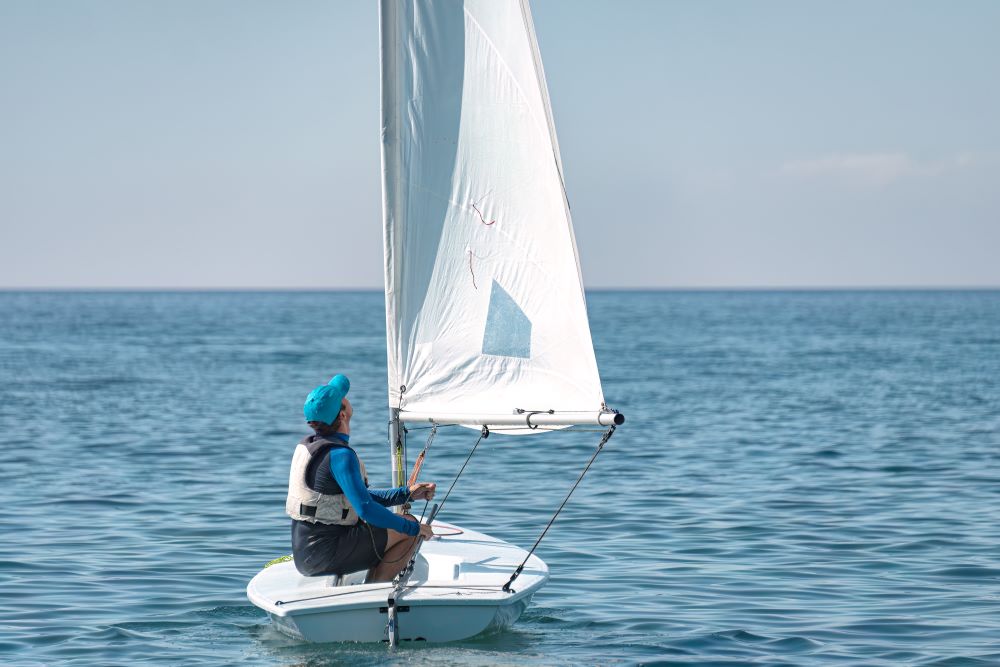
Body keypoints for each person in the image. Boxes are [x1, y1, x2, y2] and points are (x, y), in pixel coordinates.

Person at [286, 374, 435, 582]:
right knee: (408, 527)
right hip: (324, 553)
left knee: (399, 524)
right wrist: (415, 528)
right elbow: (366, 509)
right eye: (343, 399)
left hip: (307, 554)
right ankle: (376, 594)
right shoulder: (340, 456)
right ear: (342, 415)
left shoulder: (313, 447)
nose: (347, 399)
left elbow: (353, 498)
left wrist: (405, 495)